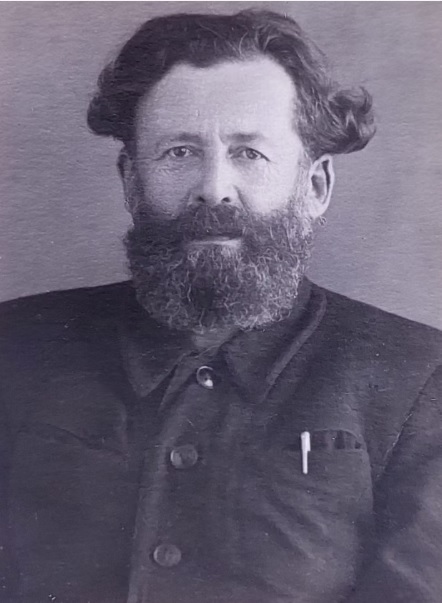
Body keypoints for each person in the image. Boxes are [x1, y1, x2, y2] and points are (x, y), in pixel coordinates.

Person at [1, 9, 442, 603]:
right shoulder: (15, 348)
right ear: (131, 181)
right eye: (179, 152)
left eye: (249, 153)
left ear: (315, 186)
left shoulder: (420, 379)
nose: (213, 188)